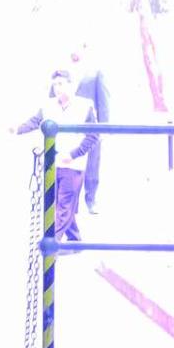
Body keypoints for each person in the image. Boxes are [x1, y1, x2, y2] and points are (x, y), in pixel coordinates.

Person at [11, 69, 99, 242]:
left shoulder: (84, 106)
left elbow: (93, 135)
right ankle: (75, 241)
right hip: (53, 163)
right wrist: (17, 129)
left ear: (71, 85)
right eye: (55, 84)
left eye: (61, 84)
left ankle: (52, 244)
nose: (58, 88)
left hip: (73, 166)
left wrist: (74, 154)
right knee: (60, 203)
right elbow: (35, 122)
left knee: (64, 205)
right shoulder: (48, 106)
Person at [70, 41, 111, 214]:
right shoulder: (64, 73)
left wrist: (104, 127)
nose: (77, 51)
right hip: (69, 125)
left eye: (81, 47)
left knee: (92, 162)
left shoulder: (95, 72)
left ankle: (91, 199)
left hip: (90, 125)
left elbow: (104, 101)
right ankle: (72, 202)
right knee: (69, 161)